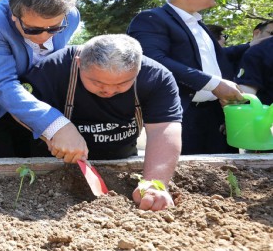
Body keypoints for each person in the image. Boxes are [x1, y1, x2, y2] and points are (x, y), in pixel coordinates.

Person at [23, 35, 182, 211]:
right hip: (53, 168)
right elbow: (20, 107)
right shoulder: (53, 68)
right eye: (96, 82)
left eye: (123, 83)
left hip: (120, 159)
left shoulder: (156, 76)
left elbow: (164, 129)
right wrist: (54, 130)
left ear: (138, 69)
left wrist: (154, 183)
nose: (109, 90)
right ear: (78, 63)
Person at [127, 0, 245, 155]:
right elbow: (153, 60)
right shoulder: (151, 18)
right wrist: (213, 84)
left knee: (226, 179)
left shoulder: (199, 25)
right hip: (181, 117)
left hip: (216, 117)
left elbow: (213, 63)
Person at [0, 0, 81, 158]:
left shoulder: (72, 16)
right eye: (32, 29)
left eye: (54, 28)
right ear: (13, 15)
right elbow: (2, 84)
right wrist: (56, 124)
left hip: (43, 107)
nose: (44, 37)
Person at [235, 20, 273, 106]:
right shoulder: (257, 52)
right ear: (256, 33)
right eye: (271, 33)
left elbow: (245, 94)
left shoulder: (257, 51)